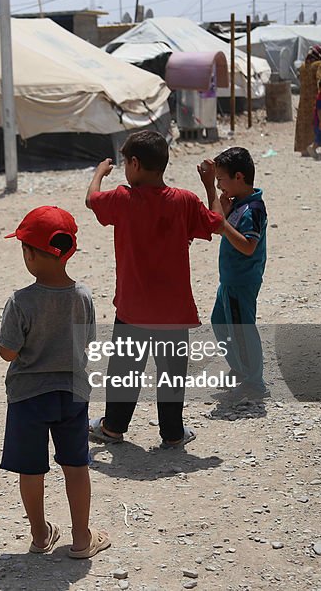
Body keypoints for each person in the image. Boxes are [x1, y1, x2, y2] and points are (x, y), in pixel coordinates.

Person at [84, 131, 223, 448]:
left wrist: (98, 174)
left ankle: (113, 428)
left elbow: (91, 200)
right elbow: (215, 222)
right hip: (174, 311)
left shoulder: (122, 198)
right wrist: (209, 185)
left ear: (134, 163)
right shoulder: (185, 201)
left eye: (123, 164)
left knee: (124, 372)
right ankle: (173, 433)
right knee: (172, 374)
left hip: (133, 308)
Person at [0, 206, 110, 559]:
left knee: (32, 469)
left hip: (28, 397)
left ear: (29, 254)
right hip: (73, 394)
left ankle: (40, 534)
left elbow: (7, 352)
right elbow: (88, 342)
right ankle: (80, 538)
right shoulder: (83, 296)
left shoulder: (20, 301)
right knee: (76, 465)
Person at [198, 148, 268, 397]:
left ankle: (254, 383)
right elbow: (216, 222)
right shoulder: (238, 203)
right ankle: (241, 369)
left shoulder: (253, 209)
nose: (219, 186)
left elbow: (248, 246)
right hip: (229, 279)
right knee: (220, 322)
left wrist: (224, 221)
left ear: (239, 177)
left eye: (220, 180)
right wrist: (211, 191)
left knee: (241, 329)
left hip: (241, 280)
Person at [295, 45, 321, 157]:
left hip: (303, 100)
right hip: (316, 99)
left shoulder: (303, 67)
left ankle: (303, 148)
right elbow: (320, 79)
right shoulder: (319, 65)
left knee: (303, 123)